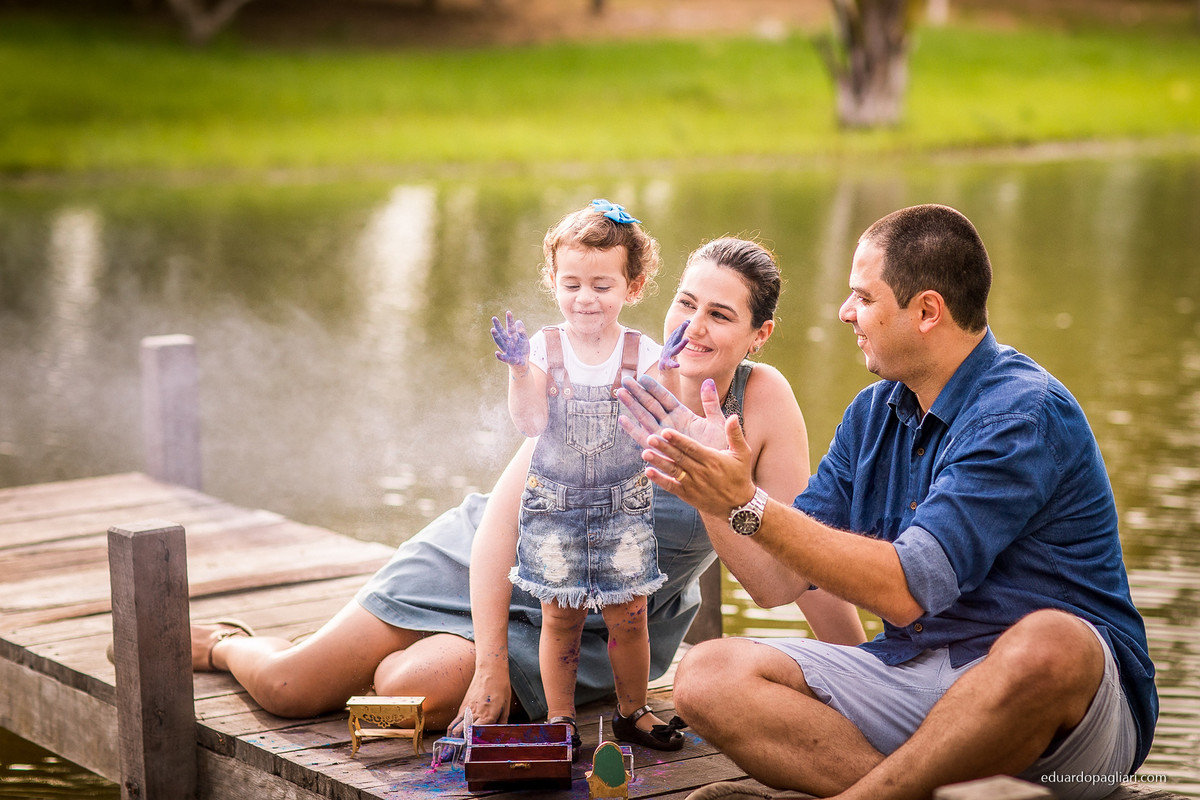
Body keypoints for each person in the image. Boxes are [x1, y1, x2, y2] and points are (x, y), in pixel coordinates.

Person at [189, 233, 865, 744]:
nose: (693, 327)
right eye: (686, 303)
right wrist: (487, 668)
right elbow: (498, 530)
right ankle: (226, 643)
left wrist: (866, 675)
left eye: (721, 314)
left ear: (760, 334)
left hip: (602, 622)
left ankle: (394, 659)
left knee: (409, 686)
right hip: (487, 562)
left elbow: (791, 578)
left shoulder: (765, 403)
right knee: (287, 689)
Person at [617, 204, 1157, 800]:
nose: (846, 313)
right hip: (913, 674)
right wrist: (712, 491)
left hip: (1061, 721)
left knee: (1055, 642)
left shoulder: (1020, 413)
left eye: (864, 298)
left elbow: (906, 590)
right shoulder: (872, 414)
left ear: (927, 310)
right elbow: (775, 583)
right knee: (706, 675)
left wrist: (747, 500)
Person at [488, 199, 691, 750]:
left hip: (624, 504)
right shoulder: (542, 349)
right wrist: (516, 371)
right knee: (561, 619)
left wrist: (668, 374)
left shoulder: (643, 351)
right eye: (572, 283)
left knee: (630, 618)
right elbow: (530, 422)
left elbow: (657, 428)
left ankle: (634, 711)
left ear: (634, 286)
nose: (586, 299)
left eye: (602, 286)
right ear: (552, 279)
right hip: (553, 504)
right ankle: (560, 719)